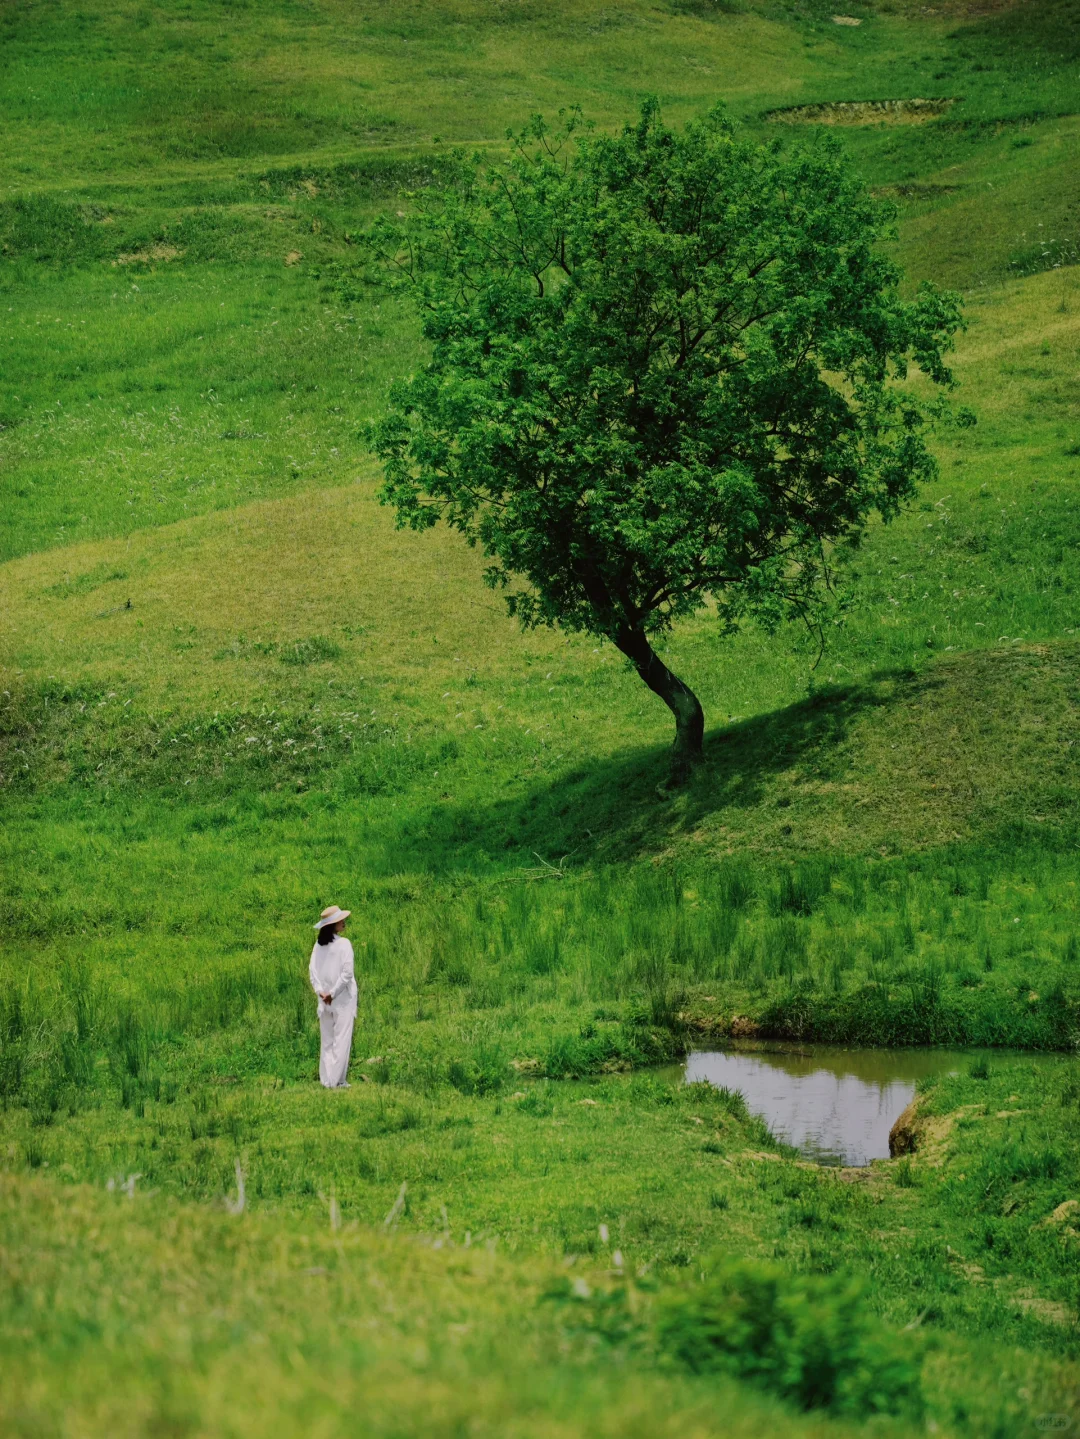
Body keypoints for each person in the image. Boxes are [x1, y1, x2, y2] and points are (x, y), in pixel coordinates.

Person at [309, 904, 357, 1088]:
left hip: (324, 1000)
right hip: (342, 999)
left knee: (327, 1039)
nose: (343, 922)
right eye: (340, 920)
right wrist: (333, 993)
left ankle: (327, 1079)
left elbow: (312, 971)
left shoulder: (318, 947)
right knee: (341, 1038)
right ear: (333, 925)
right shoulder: (344, 944)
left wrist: (321, 992)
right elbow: (347, 973)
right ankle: (337, 1080)